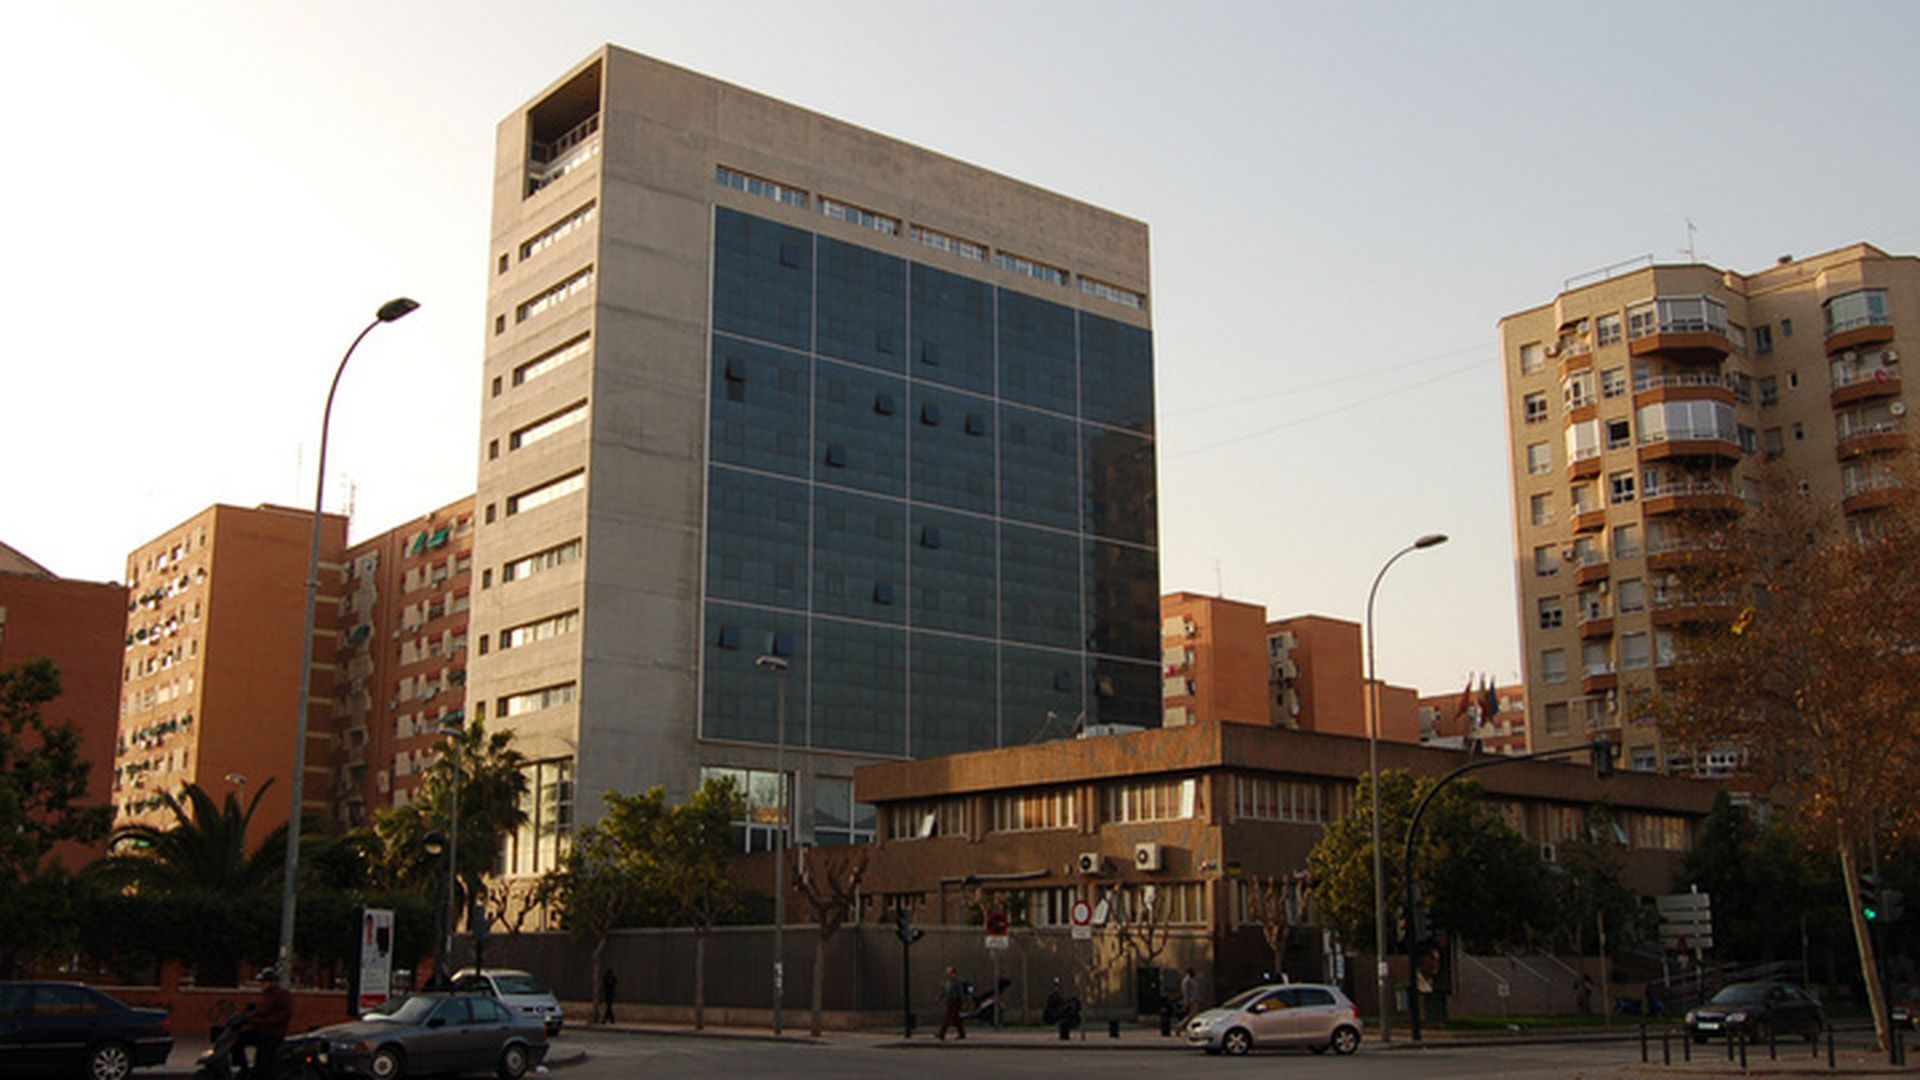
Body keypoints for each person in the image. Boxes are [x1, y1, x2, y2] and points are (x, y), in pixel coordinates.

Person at [239, 968, 293, 1079]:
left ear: (272, 982)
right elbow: (259, 1011)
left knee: (263, 1059)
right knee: (239, 1039)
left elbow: (280, 1017)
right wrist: (245, 1017)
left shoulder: (282, 995)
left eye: (264, 982)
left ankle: (259, 1075)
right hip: (262, 1030)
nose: (261, 985)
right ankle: (243, 1068)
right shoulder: (266, 996)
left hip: (272, 1033)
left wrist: (258, 1021)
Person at [935, 966, 966, 1040]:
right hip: (949, 1001)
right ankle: (962, 1033)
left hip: (954, 1001)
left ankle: (942, 1033)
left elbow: (961, 993)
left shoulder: (957, 983)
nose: (949, 975)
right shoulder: (947, 982)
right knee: (956, 1019)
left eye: (950, 973)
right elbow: (944, 992)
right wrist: (939, 997)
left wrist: (963, 1002)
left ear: (954, 974)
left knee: (947, 1018)